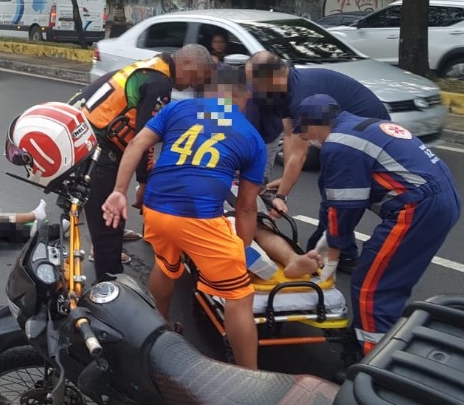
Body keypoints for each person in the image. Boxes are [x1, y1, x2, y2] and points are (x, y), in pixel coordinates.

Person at [103, 68, 267, 370]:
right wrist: (241, 252)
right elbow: (245, 207)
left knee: (167, 265)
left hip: (155, 208)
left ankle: (158, 333)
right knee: (240, 295)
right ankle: (250, 376)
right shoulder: (252, 137)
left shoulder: (178, 107)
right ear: (242, 97)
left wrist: (118, 191)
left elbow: (138, 143)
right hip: (199, 219)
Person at [293, 94, 460, 357]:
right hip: (442, 197)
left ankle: (369, 361)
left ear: (313, 124)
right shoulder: (363, 124)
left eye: (303, 132)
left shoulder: (339, 144)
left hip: (417, 208)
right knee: (390, 279)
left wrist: (332, 256)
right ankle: (374, 336)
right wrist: (331, 244)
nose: (305, 139)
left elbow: (344, 210)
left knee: (373, 286)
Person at [70, 44, 215, 284]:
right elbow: (144, 139)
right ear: (186, 64)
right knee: (110, 211)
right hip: (99, 146)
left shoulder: (153, 66)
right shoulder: (160, 83)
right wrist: (145, 180)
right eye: (195, 77)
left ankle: (109, 241)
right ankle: (110, 285)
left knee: (109, 203)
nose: (192, 85)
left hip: (88, 134)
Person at [245, 51, 390, 270]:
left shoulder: (301, 96)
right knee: (333, 190)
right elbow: (290, 138)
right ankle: (340, 249)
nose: (252, 88)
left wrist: (282, 195)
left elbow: (299, 155)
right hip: (347, 133)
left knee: (340, 194)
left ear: (271, 79)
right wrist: (284, 179)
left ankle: (343, 251)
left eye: (253, 83)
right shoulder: (284, 89)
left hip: (364, 133)